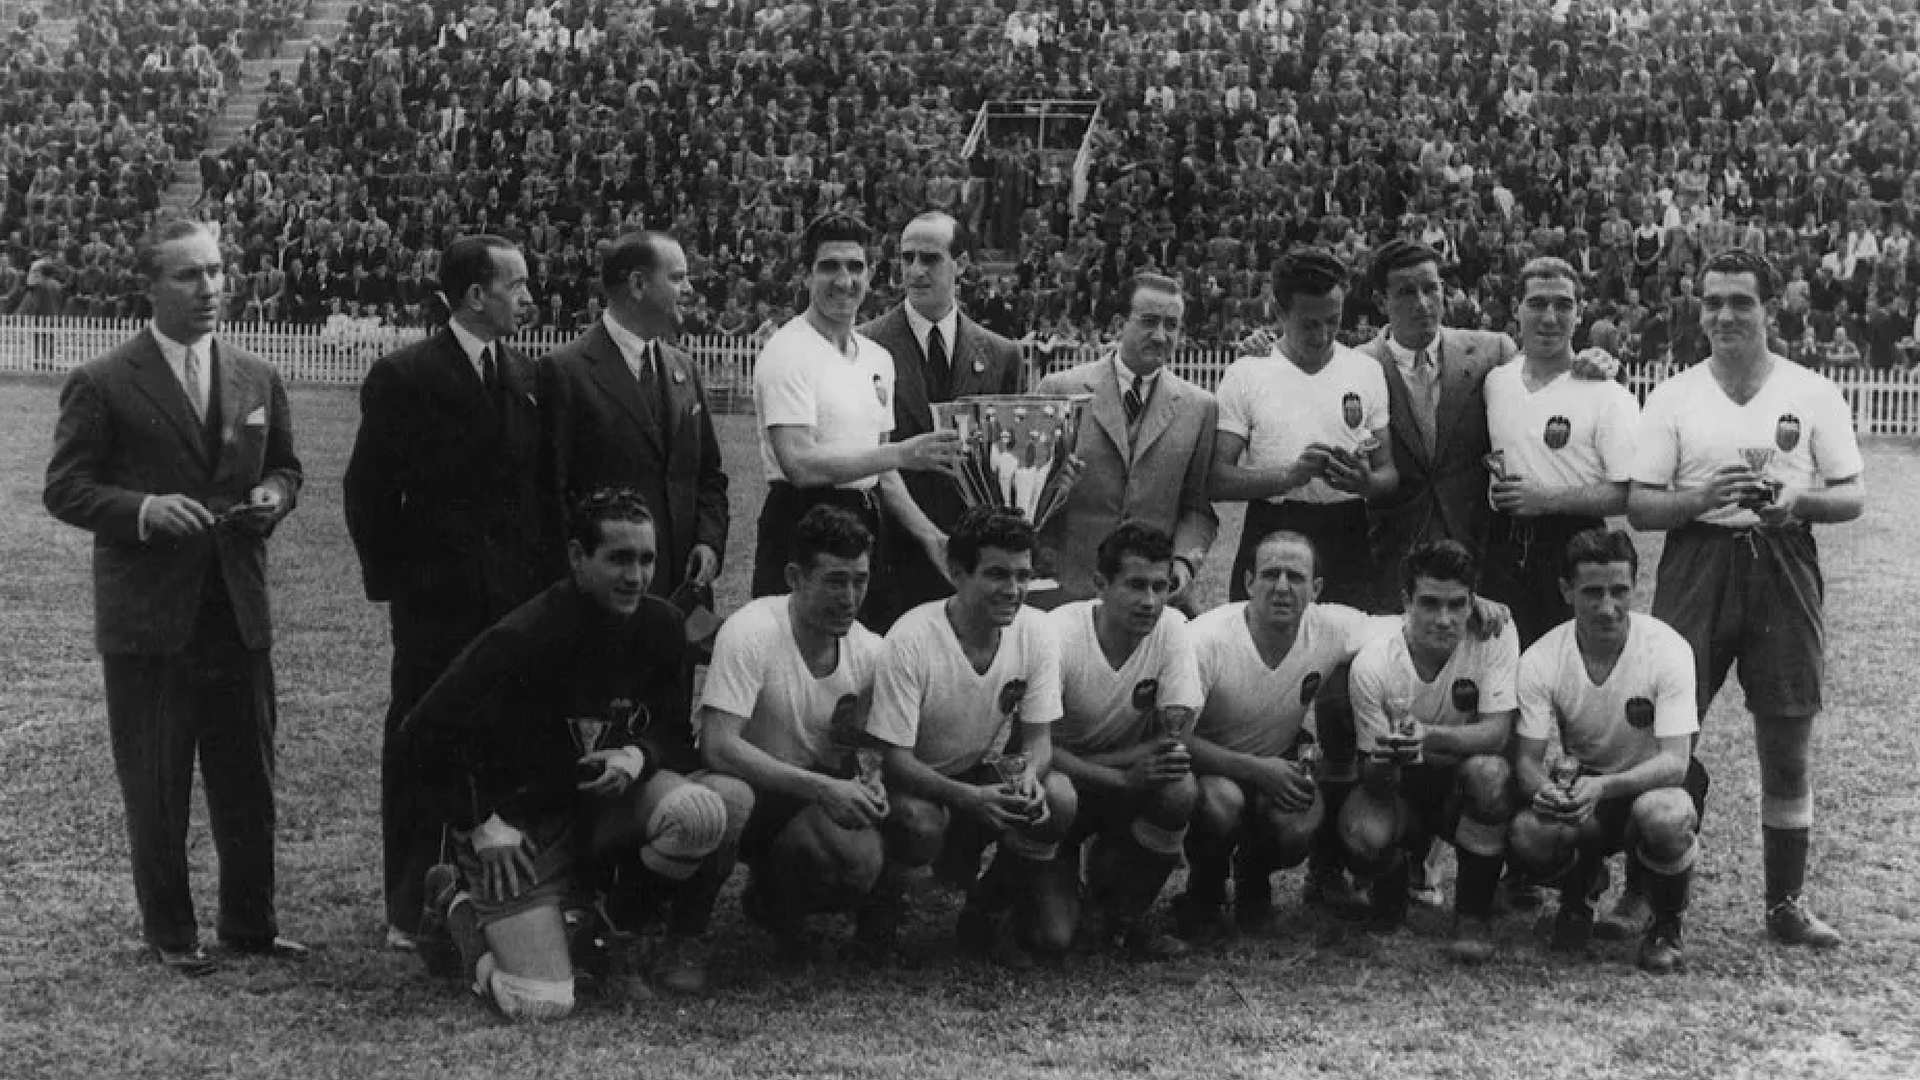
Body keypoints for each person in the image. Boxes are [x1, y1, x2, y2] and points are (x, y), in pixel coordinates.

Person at [44, 216, 307, 976]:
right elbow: (65, 488)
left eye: (216, 271)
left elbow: (287, 467)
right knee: (158, 784)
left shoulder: (257, 375)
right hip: (151, 619)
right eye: (190, 274)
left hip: (237, 610)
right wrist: (144, 510)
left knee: (248, 778)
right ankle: (170, 933)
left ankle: (250, 925)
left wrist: (274, 495)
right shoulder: (102, 381)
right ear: (150, 286)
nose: (209, 287)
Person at [396, 491, 750, 1019]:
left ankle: (602, 938)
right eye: (619, 559)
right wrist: (481, 825)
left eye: (646, 559)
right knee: (540, 1003)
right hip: (521, 830)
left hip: (601, 811)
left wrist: (637, 756)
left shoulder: (661, 625)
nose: (636, 576)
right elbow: (420, 733)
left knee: (704, 812)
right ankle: (457, 908)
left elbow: (673, 731)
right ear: (578, 558)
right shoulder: (523, 635)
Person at [1628, 249, 1865, 949]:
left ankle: (1785, 902)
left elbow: (1852, 494)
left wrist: (1800, 501)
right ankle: (1644, 894)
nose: (1725, 315)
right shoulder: (1674, 395)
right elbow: (1641, 506)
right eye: (1713, 302)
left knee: (1787, 738)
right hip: (1697, 560)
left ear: (1769, 308)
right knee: (1669, 733)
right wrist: (1702, 497)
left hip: (1782, 561)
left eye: (1741, 302)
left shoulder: (1811, 391)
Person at [344, 234, 562, 950]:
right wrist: (402, 584)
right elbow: (369, 494)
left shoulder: (526, 375)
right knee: (421, 737)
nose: (528, 298)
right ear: (475, 295)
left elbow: (539, 494)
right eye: (516, 285)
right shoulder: (406, 375)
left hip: (512, 599)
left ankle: (481, 895)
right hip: (436, 602)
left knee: (500, 738)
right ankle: (411, 906)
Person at [861, 507, 1077, 968]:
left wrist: (1029, 777)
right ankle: (881, 913)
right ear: (957, 573)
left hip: (977, 776)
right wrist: (969, 798)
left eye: (1023, 575)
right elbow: (894, 759)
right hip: (914, 785)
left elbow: (1039, 740)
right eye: (997, 574)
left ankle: (986, 912)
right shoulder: (912, 638)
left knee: (1058, 796)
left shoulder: (1036, 630)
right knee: (918, 823)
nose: (1013, 590)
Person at [1505, 529, 1706, 974]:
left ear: (1635, 587)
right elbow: (1527, 762)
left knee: (1665, 815)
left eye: (1619, 591)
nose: (1607, 607)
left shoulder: (1669, 649)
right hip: (1587, 784)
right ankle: (1579, 894)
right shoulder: (1542, 658)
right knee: (1528, 834)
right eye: (1592, 593)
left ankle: (1666, 925)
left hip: (1653, 782)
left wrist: (1605, 787)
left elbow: (1676, 762)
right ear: (1566, 590)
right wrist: (1544, 792)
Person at [750, 211, 961, 631]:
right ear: (805, 275)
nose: (844, 281)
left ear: (871, 274)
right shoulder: (788, 352)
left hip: (864, 527)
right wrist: (899, 453)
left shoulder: (876, 358)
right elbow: (800, 463)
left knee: (863, 655)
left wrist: (931, 537)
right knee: (797, 656)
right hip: (800, 521)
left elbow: (883, 473)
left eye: (855, 267)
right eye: (829, 266)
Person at [699, 506, 891, 955]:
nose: (849, 598)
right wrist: (823, 789)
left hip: (805, 795)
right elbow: (718, 746)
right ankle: (686, 932)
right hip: (749, 785)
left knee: (860, 861)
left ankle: (773, 897)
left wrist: (872, 779)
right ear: (794, 577)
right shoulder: (750, 631)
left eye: (860, 581)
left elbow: (866, 745)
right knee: (726, 800)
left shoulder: (870, 650)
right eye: (835, 581)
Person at [1335, 540, 1521, 963]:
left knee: (1490, 775)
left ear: (1473, 602)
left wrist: (1426, 737)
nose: (1444, 619)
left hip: (1461, 784)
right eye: (1430, 603)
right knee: (1365, 831)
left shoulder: (1496, 633)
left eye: (1457, 605)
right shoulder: (1374, 663)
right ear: (1406, 601)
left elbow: (1496, 734)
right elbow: (1373, 777)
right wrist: (1386, 758)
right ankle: (1392, 883)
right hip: (1403, 783)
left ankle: (1472, 914)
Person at [1039, 523, 1202, 960]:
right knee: (1054, 938)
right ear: (1100, 584)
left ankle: (1122, 915)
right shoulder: (1057, 634)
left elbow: (1176, 739)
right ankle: (1026, 886)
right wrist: (1120, 777)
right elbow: (1034, 747)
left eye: (1159, 587)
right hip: (1062, 787)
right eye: (1135, 585)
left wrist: (1115, 772)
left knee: (1179, 786)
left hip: (1106, 776)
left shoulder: (1173, 628)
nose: (1149, 601)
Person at [542, 230, 728, 601]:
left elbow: (708, 475)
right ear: (638, 285)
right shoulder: (565, 372)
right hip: (606, 599)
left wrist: (708, 541)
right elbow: (552, 496)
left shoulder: (683, 368)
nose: (689, 289)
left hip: (682, 594)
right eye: (677, 278)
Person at [1211, 249, 1396, 609]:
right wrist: (1290, 476)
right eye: (1309, 324)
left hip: (1346, 531)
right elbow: (1217, 479)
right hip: (1273, 525)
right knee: (1261, 639)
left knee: (1347, 639)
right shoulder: (1248, 372)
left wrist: (1365, 482)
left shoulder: (1366, 371)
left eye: (1333, 321)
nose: (1323, 335)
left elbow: (1388, 474)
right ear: (1280, 314)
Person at [860, 211, 1024, 611]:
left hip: (968, 563)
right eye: (907, 258)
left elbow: (1008, 463)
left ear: (961, 264)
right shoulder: (865, 348)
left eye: (930, 259)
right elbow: (867, 458)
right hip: (887, 556)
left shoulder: (1002, 355)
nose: (916, 270)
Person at [1033, 273, 1219, 608]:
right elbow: (1028, 495)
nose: (1160, 336)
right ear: (1119, 324)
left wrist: (1182, 564)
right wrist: (1052, 487)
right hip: (1068, 590)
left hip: (1150, 597)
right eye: (1149, 321)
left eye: (1172, 325)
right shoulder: (1059, 390)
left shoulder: (1200, 407)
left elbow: (1197, 508)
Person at [1481, 258, 1638, 647]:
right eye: (1537, 304)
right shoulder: (1496, 382)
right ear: (1516, 308)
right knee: (1502, 665)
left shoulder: (1607, 394)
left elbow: (1629, 494)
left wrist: (1546, 500)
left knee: (1567, 666)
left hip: (1575, 545)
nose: (1550, 318)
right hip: (1500, 545)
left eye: (1563, 305)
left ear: (1580, 312)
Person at [1358, 240, 1516, 613]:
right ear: (1381, 301)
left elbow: (1544, 386)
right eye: (1406, 292)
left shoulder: (1494, 352)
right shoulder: (1356, 367)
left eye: (1431, 288)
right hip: (1390, 551)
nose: (1423, 303)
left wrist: (1592, 364)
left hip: (1477, 547)